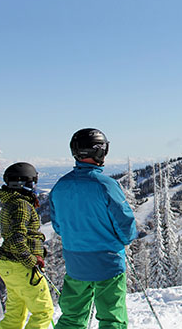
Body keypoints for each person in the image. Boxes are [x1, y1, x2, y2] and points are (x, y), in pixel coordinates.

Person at [49, 128, 137, 329]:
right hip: (108, 261)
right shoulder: (106, 185)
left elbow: (59, 226)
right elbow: (125, 224)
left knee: (72, 316)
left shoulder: (61, 186)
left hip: (75, 261)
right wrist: (124, 240)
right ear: (99, 152)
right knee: (111, 317)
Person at [0, 162, 54, 329]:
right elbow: (16, 237)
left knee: (15, 315)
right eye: (32, 182)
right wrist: (30, 260)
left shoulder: (12, 201)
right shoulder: (21, 205)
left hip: (9, 265)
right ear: (23, 183)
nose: (34, 186)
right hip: (21, 267)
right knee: (43, 312)